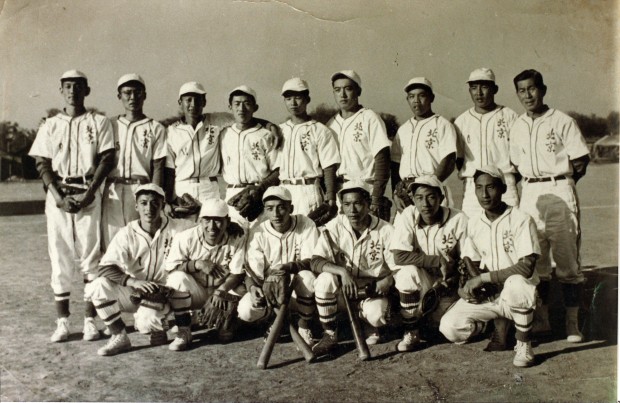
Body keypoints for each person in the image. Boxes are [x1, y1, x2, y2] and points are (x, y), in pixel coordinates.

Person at [29, 69, 115, 343]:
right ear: (61, 90)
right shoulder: (50, 124)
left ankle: (91, 320)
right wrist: (57, 196)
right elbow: (42, 162)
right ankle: (63, 322)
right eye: (67, 86)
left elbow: (107, 159)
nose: (72, 91)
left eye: (78, 86)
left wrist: (90, 194)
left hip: (87, 192)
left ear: (86, 91)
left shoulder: (99, 121)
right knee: (60, 256)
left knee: (91, 257)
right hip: (59, 195)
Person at [509, 69, 590, 343]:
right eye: (521, 90)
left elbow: (580, 161)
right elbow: (515, 166)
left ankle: (572, 323)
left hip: (559, 187)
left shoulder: (562, 120)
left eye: (532, 88)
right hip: (529, 192)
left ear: (542, 89)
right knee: (536, 261)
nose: (527, 95)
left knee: (567, 262)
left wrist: (562, 183)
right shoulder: (517, 125)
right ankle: (542, 318)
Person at [439, 166, 540, 367]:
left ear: (503, 189)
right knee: (449, 327)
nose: (484, 194)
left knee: (517, 284)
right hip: (491, 295)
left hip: (516, 293)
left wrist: (483, 279)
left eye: (491, 187)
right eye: (478, 188)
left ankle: (523, 344)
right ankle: (488, 326)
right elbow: (471, 261)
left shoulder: (521, 219)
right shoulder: (475, 222)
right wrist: (469, 287)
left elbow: (526, 268)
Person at [87, 184, 191, 356]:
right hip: (136, 293)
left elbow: (208, 226)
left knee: (148, 321)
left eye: (154, 203)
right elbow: (105, 267)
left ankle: (174, 325)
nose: (148, 208)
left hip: (168, 293)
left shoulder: (178, 227)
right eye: (143, 203)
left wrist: (230, 226)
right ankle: (119, 336)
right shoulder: (127, 232)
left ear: (163, 205)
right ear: (136, 206)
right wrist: (133, 281)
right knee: (97, 286)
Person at [165, 82, 282, 220]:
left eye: (198, 99)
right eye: (188, 100)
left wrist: (270, 125)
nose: (193, 104)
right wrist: (169, 199)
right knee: (183, 232)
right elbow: (169, 170)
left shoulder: (217, 120)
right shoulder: (171, 132)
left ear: (204, 101)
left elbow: (244, 117)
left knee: (213, 230)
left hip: (209, 187)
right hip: (182, 188)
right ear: (180, 102)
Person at [310, 180, 395, 357]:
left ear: (368, 204)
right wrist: (342, 272)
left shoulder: (386, 229)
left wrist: (387, 280)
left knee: (377, 314)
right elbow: (316, 261)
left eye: (357, 203)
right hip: (344, 291)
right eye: (347, 204)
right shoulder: (334, 226)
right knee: (325, 280)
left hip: (370, 291)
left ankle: (368, 323)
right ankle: (330, 332)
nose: (352, 210)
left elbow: (397, 267)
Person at [390, 175, 467, 352]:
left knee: (447, 329)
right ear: (413, 199)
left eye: (431, 197)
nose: (425, 203)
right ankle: (411, 331)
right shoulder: (408, 214)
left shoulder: (458, 218)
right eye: (419, 198)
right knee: (406, 273)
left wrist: (454, 276)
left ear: (441, 198)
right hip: (423, 280)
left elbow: (467, 259)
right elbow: (399, 256)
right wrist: (437, 260)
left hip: (448, 286)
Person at [164, 199, 248, 351]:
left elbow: (237, 273)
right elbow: (170, 268)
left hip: (221, 293)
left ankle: (229, 321)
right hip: (196, 292)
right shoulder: (185, 238)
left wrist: (221, 291)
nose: (212, 227)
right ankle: (184, 329)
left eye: (218, 221)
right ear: (200, 221)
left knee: (242, 291)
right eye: (207, 221)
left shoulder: (237, 237)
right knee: (176, 279)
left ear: (228, 221)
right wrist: (197, 264)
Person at [239, 186, 319, 345]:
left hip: (300, 291)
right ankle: (276, 321)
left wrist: (288, 267)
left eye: (281, 207)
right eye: (270, 208)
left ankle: (304, 324)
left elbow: (313, 261)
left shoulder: (306, 224)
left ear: (291, 208)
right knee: (246, 310)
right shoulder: (258, 231)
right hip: (271, 291)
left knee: (308, 277)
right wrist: (253, 288)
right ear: (265, 211)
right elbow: (252, 273)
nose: (275, 214)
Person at [102, 74, 167, 248]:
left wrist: (154, 196)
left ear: (144, 95)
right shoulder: (109, 124)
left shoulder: (156, 128)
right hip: (113, 190)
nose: (132, 98)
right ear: (119, 96)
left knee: (140, 241)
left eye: (137, 93)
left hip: (141, 189)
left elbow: (158, 166)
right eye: (127, 93)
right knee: (111, 241)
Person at [326, 70, 392, 221]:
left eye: (348, 89)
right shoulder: (330, 124)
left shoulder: (370, 118)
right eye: (337, 90)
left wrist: (376, 197)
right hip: (341, 191)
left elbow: (382, 159)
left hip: (365, 189)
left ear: (358, 91)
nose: (342, 95)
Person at [454, 68, 519, 218]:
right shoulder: (462, 121)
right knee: (473, 233)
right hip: (473, 186)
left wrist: (507, 179)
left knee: (508, 231)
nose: (479, 93)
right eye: (474, 87)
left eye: (484, 87)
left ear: (495, 89)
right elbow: (459, 159)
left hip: (505, 185)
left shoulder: (510, 116)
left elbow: (519, 159)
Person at [391, 77, 457, 212]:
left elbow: (449, 159)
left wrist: (429, 187)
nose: (416, 101)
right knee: (406, 231)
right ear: (407, 100)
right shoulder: (403, 129)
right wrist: (395, 193)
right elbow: (395, 163)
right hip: (406, 192)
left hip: (433, 190)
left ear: (432, 98)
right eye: (411, 96)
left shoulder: (442, 124)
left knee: (436, 230)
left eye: (421, 96)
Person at [277, 78, 340, 216]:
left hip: (308, 189)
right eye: (288, 98)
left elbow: (329, 167)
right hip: (283, 189)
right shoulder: (280, 130)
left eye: (298, 97)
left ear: (307, 99)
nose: (293, 103)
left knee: (310, 234)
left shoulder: (320, 129)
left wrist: (330, 198)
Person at [220, 85, 280, 227]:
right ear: (230, 107)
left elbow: (278, 170)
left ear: (255, 107)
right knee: (235, 241)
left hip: (259, 193)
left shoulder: (266, 134)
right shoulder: (223, 134)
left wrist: (260, 189)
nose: (241, 108)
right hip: (233, 194)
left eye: (247, 103)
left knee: (260, 239)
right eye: (237, 104)